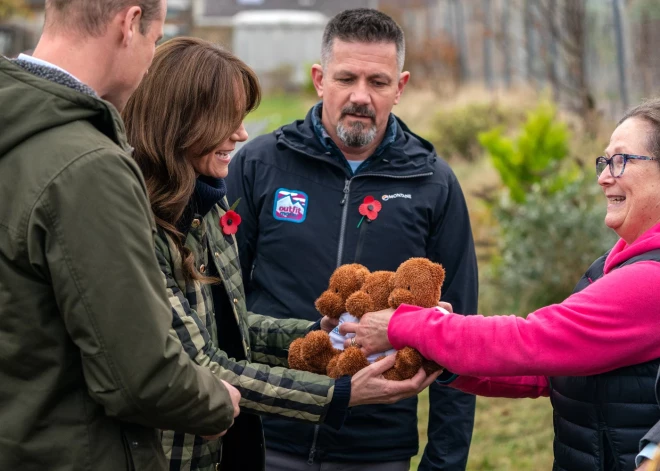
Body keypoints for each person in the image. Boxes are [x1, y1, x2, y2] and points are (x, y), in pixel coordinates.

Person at [121, 36, 438, 471]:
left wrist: (322, 335)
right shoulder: (138, 225)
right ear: (181, 123)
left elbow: (229, 327)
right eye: (226, 121)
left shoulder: (208, 209)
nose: (241, 134)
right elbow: (203, 364)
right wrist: (338, 394)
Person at [345, 99, 660, 471]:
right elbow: (549, 368)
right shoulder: (615, 266)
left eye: (622, 160)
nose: (604, 176)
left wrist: (404, 324)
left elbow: (531, 340)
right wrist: (436, 354)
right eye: (604, 162)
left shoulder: (650, 280)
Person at [226, 8, 478, 471]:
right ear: (320, 79)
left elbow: (459, 333)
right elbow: (223, 303)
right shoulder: (259, 165)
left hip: (377, 447)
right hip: (268, 435)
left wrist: (444, 460)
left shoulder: (432, 183)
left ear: (400, 87)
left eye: (378, 82)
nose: (361, 96)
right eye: (347, 78)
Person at [0, 1, 244, 470]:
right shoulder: (88, 166)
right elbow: (140, 375)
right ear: (130, 24)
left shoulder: (20, 130)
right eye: (156, 41)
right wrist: (215, 404)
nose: (152, 60)